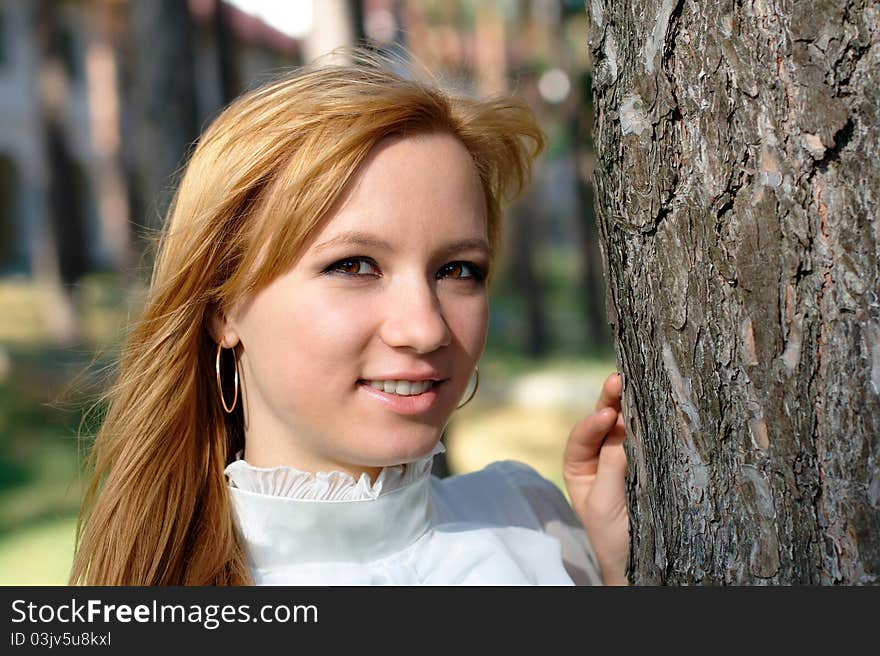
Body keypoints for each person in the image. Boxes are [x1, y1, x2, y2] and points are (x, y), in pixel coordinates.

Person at [70, 52, 628, 586]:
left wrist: (616, 565)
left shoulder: (532, 520)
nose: (426, 328)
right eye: (355, 265)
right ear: (223, 306)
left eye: (457, 270)